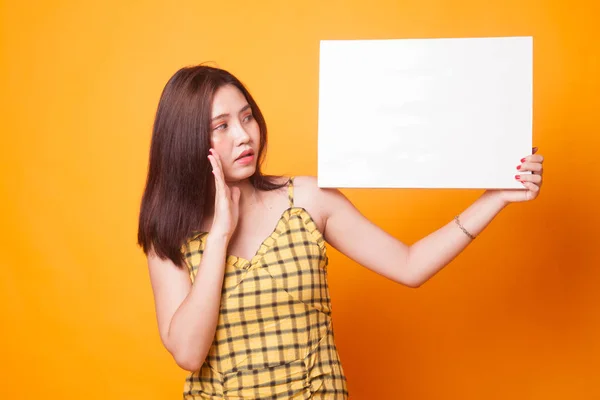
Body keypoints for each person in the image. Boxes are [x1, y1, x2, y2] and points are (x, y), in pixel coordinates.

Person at [137, 65, 545, 399]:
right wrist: (222, 232)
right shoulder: (169, 234)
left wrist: (496, 196)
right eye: (221, 126)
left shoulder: (309, 200)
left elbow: (410, 264)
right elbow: (189, 353)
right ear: (187, 142)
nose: (244, 135)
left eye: (246, 117)